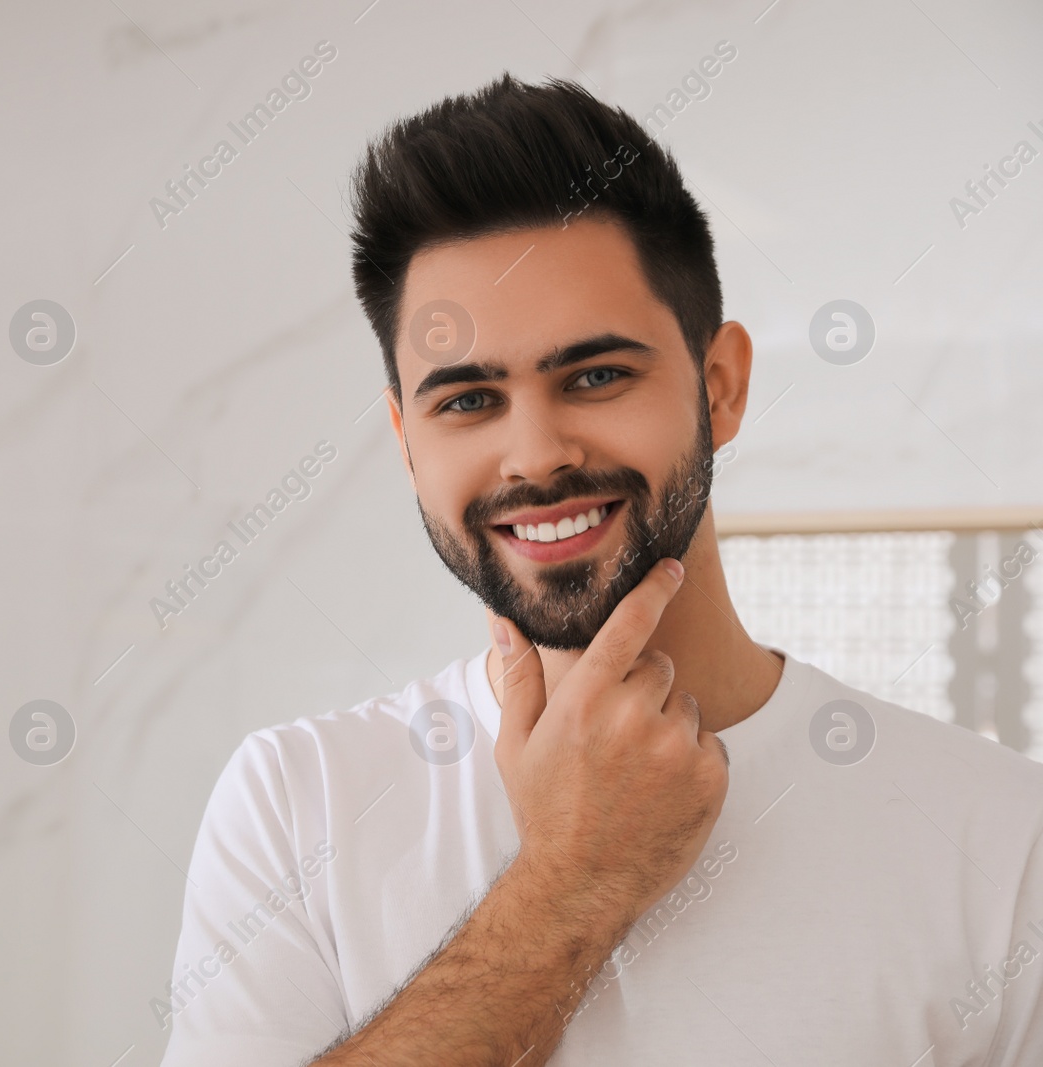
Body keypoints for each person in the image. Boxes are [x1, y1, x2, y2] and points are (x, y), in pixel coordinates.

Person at [156, 74, 1043, 1066]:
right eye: (466, 400)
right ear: (406, 439)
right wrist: (567, 885)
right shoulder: (295, 801)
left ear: (722, 385)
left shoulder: (1003, 837)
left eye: (594, 376)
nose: (534, 454)